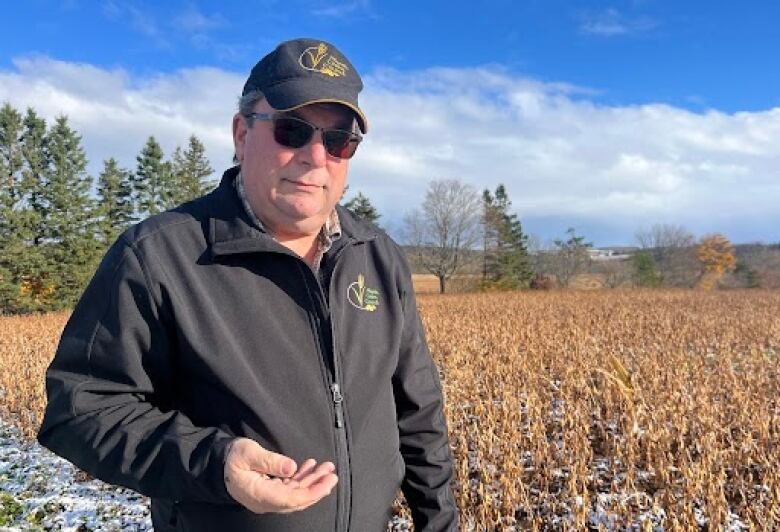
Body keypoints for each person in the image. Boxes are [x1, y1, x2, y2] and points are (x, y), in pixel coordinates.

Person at [37, 38, 458, 531]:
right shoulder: (157, 257)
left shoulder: (378, 256)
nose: (315, 156)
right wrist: (213, 464)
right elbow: (80, 408)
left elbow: (418, 413)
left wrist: (439, 522)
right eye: (292, 130)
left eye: (339, 140)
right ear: (241, 134)